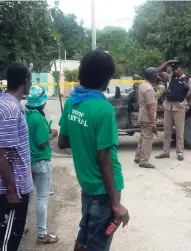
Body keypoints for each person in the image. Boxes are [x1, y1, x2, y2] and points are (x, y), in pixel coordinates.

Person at [58, 50, 129, 251]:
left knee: (85, 234)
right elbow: (104, 157)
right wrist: (116, 203)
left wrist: (83, 140)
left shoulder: (72, 102)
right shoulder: (103, 108)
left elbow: (63, 141)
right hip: (106, 189)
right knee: (98, 244)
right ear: (105, 78)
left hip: (87, 184)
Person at [0, 62, 33, 251]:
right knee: (7, 240)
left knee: (3, 235)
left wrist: (0, 153)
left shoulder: (1, 102)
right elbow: (3, 155)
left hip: (11, 182)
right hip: (14, 186)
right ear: (26, 82)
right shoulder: (12, 110)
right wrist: (12, 191)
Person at [25, 85, 59, 244]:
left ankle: (22, 225)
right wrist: (52, 134)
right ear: (41, 102)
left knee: (28, 196)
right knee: (42, 198)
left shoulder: (26, 114)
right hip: (41, 161)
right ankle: (41, 234)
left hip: (28, 161)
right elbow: (43, 143)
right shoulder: (38, 118)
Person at [155, 60, 191, 161]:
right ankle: (166, 152)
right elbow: (159, 71)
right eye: (173, 68)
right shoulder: (170, 77)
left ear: (181, 69)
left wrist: (188, 105)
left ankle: (180, 153)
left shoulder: (187, 80)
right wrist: (168, 62)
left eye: (176, 68)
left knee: (179, 131)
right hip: (168, 106)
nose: (174, 70)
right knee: (167, 131)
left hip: (179, 106)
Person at [134, 67, 158, 169]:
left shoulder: (142, 85)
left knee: (143, 137)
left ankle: (138, 157)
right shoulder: (149, 89)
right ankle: (143, 161)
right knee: (147, 139)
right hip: (148, 117)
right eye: (156, 75)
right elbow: (151, 108)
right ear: (153, 77)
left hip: (142, 115)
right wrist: (153, 122)